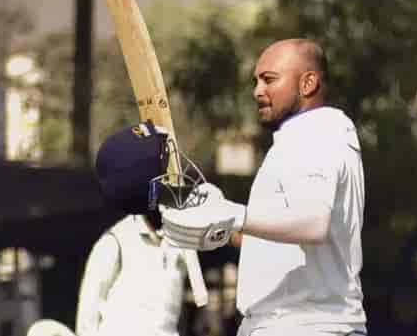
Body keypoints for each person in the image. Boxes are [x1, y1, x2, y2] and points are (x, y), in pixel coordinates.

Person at [162, 38, 367, 336]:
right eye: (256, 81)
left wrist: (233, 214)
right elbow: (289, 240)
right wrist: (217, 225)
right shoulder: (299, 138)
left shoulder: (318, 132)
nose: (257, 91)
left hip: (307, 326)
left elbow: (313, 224)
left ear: (308, 82)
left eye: (269, 80)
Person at [75, 122, 188, 336]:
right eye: (162, 171)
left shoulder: (180, 242)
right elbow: (86, 321)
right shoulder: (115, 243)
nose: (170, 179)